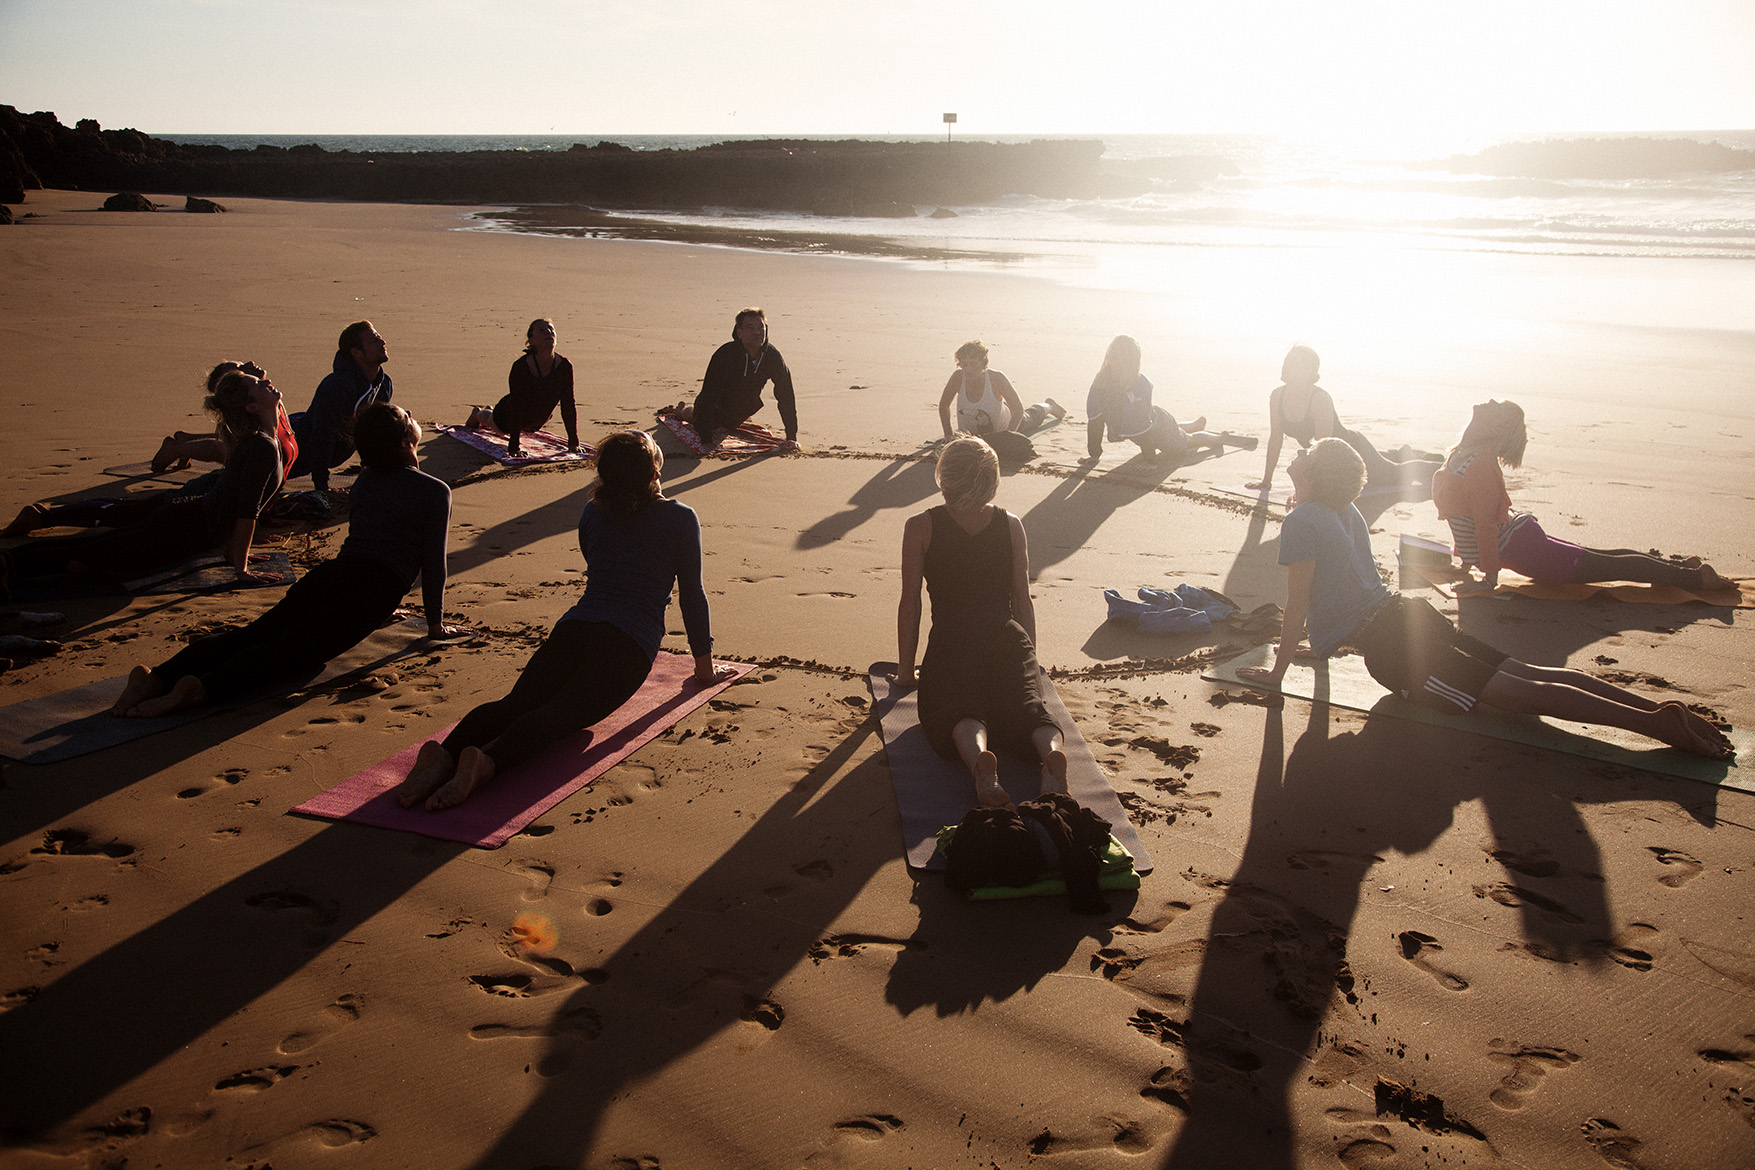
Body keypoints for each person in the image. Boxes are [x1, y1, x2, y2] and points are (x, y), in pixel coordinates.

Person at [1237, 438, 1733, 759]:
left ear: (1316, 473)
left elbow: (1301, 603)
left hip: (1394, 647)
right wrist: (1320, 646)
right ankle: (1656, 709)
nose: (1297, 456)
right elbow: (1349, 590)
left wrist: (1277, 672)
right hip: (1408, 617)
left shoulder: (1303, 521)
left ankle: (1657, 725)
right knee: (1527, 673)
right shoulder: (1346, 511)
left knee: (1518, 695)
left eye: (1306, 455)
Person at [395, 430, 733, 811]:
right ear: (655, 473)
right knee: (559, 716)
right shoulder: (680, 518)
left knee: (515, 702)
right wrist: (704, 671)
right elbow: (692, 597)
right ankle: (488, 763)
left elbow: (595, 560)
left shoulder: (593, 511)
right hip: (627, 646)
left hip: (574, 628)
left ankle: (445, 754)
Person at [110, 404, 461, 717]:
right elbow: (433, 565)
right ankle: (203, 689)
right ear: (405, 442)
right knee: (290, 653)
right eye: (408, 418)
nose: (413, 417)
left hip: (333, 575)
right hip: (371, 590)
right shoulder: (434, 490)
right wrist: (435, 626)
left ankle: (158, 677)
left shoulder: (366, 481)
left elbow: (369, 539)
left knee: (257, 633)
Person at [892, 435, 1068, 809]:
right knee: (1027, 709)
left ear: (945, 477)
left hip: (953, 640)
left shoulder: (920, 526)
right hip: (1008, 637)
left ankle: (980, 765)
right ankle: (1051, 760)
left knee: (957, 708)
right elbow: (1022, 600)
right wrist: (1030, 667)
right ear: (992, 478)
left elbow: (911, 603)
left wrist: (907, 672)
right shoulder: (1011, 524)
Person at [2, 367, 286, 592]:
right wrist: (241, 570)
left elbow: (240, 504)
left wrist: (235, 555)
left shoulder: (263, 441)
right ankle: (8, 565)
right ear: (250, 407)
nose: (267, 381)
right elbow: (245, 512)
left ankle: (11, 562)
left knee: (92, 551)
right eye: (258, 385)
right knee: (84, 555)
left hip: (187, 521)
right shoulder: (261, 445)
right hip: (181, 529)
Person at [1433, 400, 1734, 596]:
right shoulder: (1460, 455)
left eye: (1497, 407)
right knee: (1607, 556)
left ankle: (1697, 579)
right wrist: (1466, 560)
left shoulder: (1480, 463)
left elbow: (1484, 525)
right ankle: (1671, 566)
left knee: (1615, 566)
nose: (1489, 402)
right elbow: (1464, 517)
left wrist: (1488, 577)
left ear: (1494, 427)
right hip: (1520, 542)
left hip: (1525, 550)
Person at [1248, 345, 1440, 492]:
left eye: (1292, 363)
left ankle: (1441, 468)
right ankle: (1403, 452)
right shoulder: (1277, 396)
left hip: (1353, 449)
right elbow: (1275, 439)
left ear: (1309, 372)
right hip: (1330, 455)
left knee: (1392, 474)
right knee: (1384, 461)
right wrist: (1266, 481)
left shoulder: (1320, 399)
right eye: (1285, 362)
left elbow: (1322, 448)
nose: (1285, 368)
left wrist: (1315, 490)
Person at [1085, 335, 1253, 462]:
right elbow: (1095, 419)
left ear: (1128, 357)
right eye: (1112, 349)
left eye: (1118, 351)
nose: (1113, 353)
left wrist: (1150, 461)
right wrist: (1094, 455)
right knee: (1177, 431)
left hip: (1159, 429)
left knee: (1188, 442)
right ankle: (1194, 425)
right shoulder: (1102, 379)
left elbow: (1143, 427)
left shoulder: (1139, 383)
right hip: (1155, 422)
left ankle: (1219, 438)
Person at [287, 321, 394, 501]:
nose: (382, 343)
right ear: (356, 353)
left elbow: (373, 435)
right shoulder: (338, 385)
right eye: (373, 341)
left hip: (333, 451)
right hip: (293, 453)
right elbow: (322, 436)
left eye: (379, 338)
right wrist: (322, 488)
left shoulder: (384, 384)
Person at [668, 308, 799, 451]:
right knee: (697, 418)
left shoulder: (772, 357)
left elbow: (786, 395)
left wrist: (791, 437)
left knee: (728, 425)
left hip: (741, 410)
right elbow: (708, 396)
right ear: (739, 332)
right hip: (715, 407)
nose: (757, 332)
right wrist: (706, 440)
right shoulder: (725, 355)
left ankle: (701, 416)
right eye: (750, 328)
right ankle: (681, 411)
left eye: (761, 327)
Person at [462, 318, 578, 457]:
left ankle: (488, 412)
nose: (548, 332)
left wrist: (573, 443)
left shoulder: (564, 366)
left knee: (539, 415)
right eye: (542, 330)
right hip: (508, 415)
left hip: (537, 419)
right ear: (531, 341)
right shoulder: (521, 366)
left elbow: (568, 404)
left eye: (551, 329)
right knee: (494, 423)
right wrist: (513, 447)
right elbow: (516, 406)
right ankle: (479, 413)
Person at [938, 340, 1031, 439]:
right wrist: (948, 434)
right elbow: (944, 405)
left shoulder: (997, 378)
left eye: (973, 364)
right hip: (972, 433)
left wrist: (1008, 435)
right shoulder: (958, 377)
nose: (968, 370)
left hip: (1007, 422)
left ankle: (1049, 406)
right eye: (964, 364)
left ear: (983, 363)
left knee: (1031, 417)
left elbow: (1018, 409)